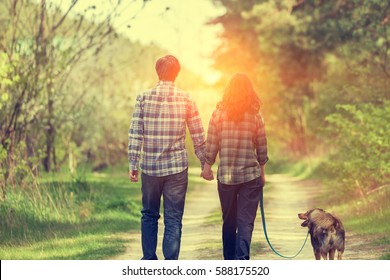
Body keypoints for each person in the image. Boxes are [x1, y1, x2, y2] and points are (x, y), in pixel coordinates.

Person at [128, 55, 206, 260]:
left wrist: (133, 162)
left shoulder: (143, 98)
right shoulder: (186, 98)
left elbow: (136, 132)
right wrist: (204, 162)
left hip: (150, 168)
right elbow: (198, 134)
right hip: (176, 169)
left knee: (149, 214)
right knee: (173, 218)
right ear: (177, 73)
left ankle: (149, 261)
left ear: (158, 72)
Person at [201, 73, 268, 260]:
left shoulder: (217, 115)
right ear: (249, 92)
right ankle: (242, 260)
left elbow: (212, 143)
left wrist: (207, 167)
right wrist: (262, 174)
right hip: (250, 177)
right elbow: (262, 147)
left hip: (227, 177)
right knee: (246, 221)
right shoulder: (255, 116)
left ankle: (230, 262)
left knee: (229, 221)